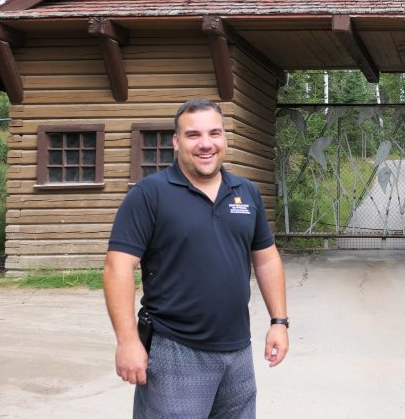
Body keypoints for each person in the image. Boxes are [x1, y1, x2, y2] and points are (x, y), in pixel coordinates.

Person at [103, 99, 288, 418]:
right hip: (176, 351)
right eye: (193, 135)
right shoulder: (150, 194)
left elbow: (266, 258)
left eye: (214, 133)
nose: (206, 144)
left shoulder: (245, 192)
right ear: (176, 142)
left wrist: (279, 322)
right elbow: (117, 267)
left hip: (237, 351)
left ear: (224, 138)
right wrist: (128, 341)